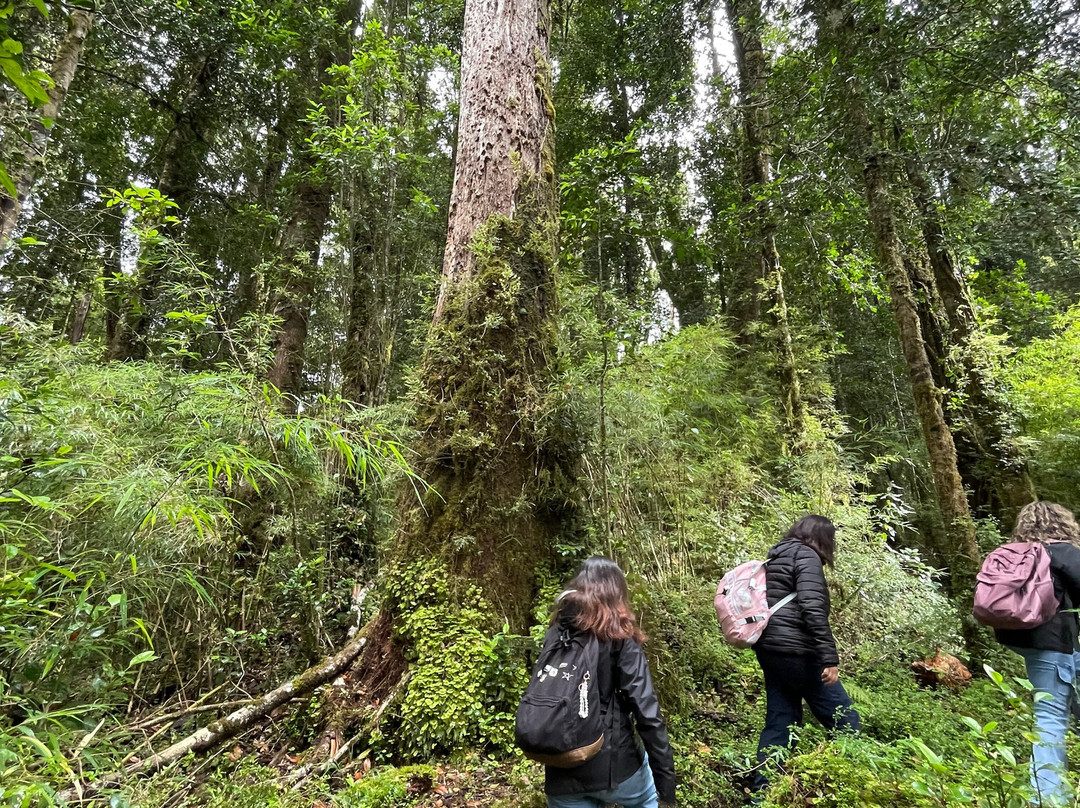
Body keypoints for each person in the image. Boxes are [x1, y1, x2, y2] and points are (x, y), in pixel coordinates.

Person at [543, 557, 677, 808]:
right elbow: (646, 712)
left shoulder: (557, 632)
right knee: (647, 799)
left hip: (561, 766)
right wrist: (666, 783)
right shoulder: (620, 636)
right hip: (615, 767)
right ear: (617, 592)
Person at [751, 515, 860, 794]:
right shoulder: (807, 557)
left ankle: (763, 793)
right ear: (823, 539)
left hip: (769, 648)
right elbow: (812, 608)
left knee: (780, 720)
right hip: (797, 651)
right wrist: (829, 659)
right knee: (844, 718)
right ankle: (847, 785)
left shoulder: (776, 556)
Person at [994, 501, 1080, 806]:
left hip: (1027, 642)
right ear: (1064, 523)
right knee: (1051, 717)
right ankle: (1047, 796)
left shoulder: (1015, 553)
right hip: (1055, 642)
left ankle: (1055, 792)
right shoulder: (1065, 553)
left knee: (1054, 709)